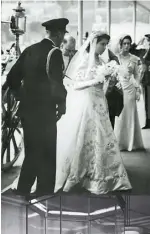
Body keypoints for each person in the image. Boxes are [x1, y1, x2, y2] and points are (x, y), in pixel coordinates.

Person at [54, 27, 132, 194]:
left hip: (99, 102)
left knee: (102, 136)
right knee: (87, 136)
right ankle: (83, 174)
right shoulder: (83, 60)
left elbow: (103, 87)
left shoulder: (101, 62)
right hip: (87, 102)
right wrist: (94, 80)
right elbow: (75, 85)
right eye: (102, 44)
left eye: (106, 44)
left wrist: (109, 82)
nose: (104, 48)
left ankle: (103, 175)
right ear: (94, 43)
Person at [5, 18, 68, 198]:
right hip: (45, 111)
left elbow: (12, 78)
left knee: (32, 149)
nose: (62, 38)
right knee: (47, 150)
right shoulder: (54, 53)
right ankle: (44, 192)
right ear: (57, 33)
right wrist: (62, 103)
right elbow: (56, 83)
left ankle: (23, 189)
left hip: (27, 110)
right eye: (62, 34)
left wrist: (21, 96)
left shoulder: (29, 50)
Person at [115, 35, 145, 152]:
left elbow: (137, 76)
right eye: (124, 43)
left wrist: (137, 89)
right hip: (118, 89)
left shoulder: (135, 59)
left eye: (128, 43)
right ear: (121, 45)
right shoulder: (116, 58)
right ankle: (119, 142)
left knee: (130, 114)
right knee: (120, 115)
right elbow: (113, 73)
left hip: (130, 89)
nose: (127, 46)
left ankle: (131, 143)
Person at [141, 34, 150, 129]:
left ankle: (148, 121)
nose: (144, 42)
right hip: (146, 79)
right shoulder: (146, 51)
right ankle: (148, 121)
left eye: (146, 40)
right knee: (147, 101)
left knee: (148, 102)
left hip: (148, 80)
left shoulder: (148, 52)